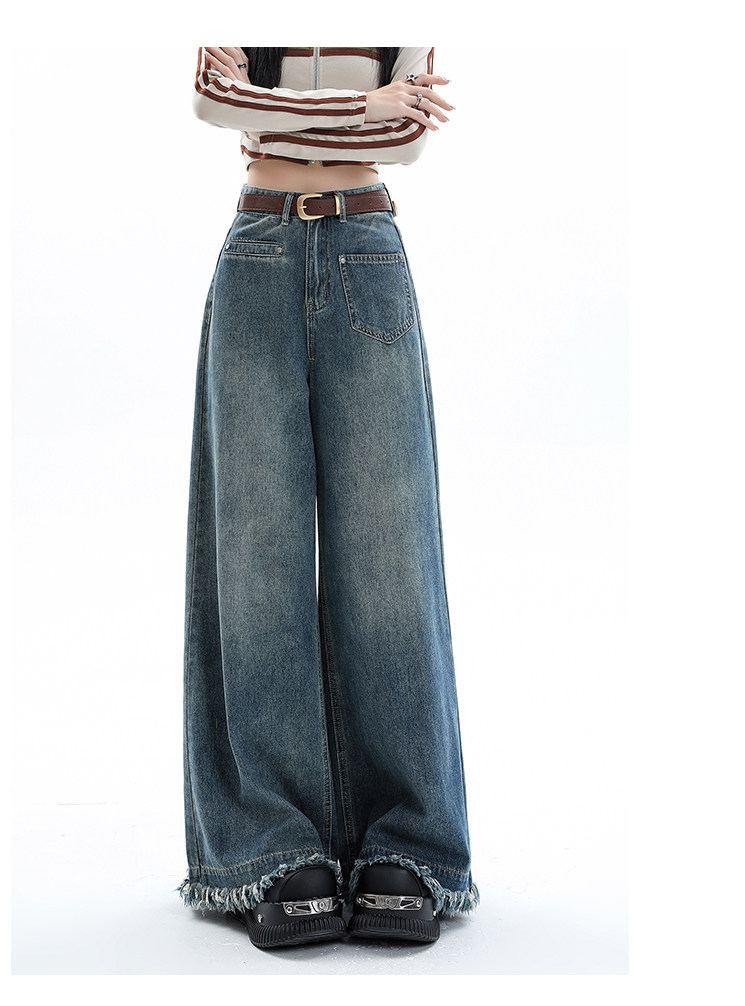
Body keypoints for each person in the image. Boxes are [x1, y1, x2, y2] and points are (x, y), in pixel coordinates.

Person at [176, 46, 479, 950]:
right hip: (257, 249)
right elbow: (210, 100)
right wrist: (364, 107)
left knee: (389, 559)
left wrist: (271, 113)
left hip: (367, 250)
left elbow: (405, 138)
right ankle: (270, 846)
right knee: (254, 556)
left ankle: (409, 844)